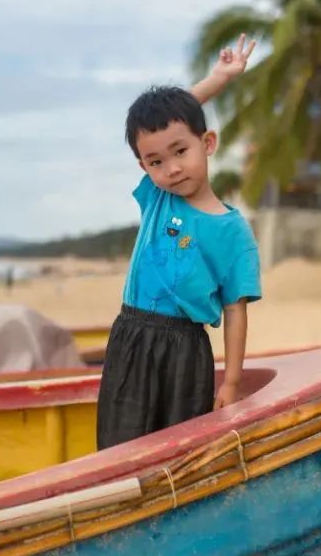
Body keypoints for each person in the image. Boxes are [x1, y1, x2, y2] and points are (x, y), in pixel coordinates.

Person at [96, 34, 261, 450]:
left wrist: (233, 381)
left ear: (207, 144)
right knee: (121, 443)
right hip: (130, 335)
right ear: (143, 166)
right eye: (156, 161)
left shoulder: (232, 231)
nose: (171, 168)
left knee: (177, 449)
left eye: (180, 151)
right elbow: (161, 125)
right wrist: (216, 79)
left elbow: (235, 308)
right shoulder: (158, 197)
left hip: (185, 348)